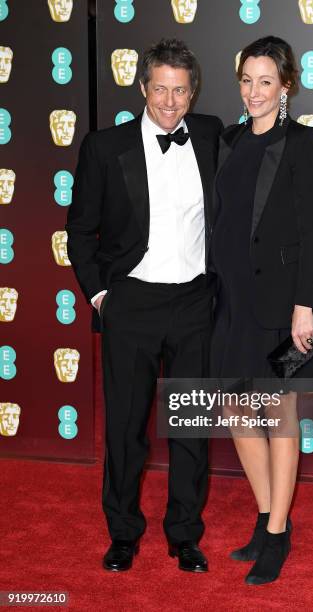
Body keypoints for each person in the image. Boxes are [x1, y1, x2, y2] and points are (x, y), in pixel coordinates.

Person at [66, 38, 223, 573]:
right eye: (160, 89)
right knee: (126, 429)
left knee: (190, 428)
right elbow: (80, 232)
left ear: (193, 90)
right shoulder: (104, 147)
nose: (170, 102)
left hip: (194, 304)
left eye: (180, 91)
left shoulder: (209, 135)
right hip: (131, 302)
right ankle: (124, 533)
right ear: (142, 88)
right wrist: (104, 296)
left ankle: (184, 534)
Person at [210, 35, 313, 585]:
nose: (254, 92)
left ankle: (278, 533)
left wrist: (304, 307)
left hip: (283, 308)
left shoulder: (302, 142)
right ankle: (266, 515)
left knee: (279, 414)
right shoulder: (228, 141)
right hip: (231, 301)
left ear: (285, 86)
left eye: (265, 82)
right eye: (246, 80)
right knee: (237, 409)